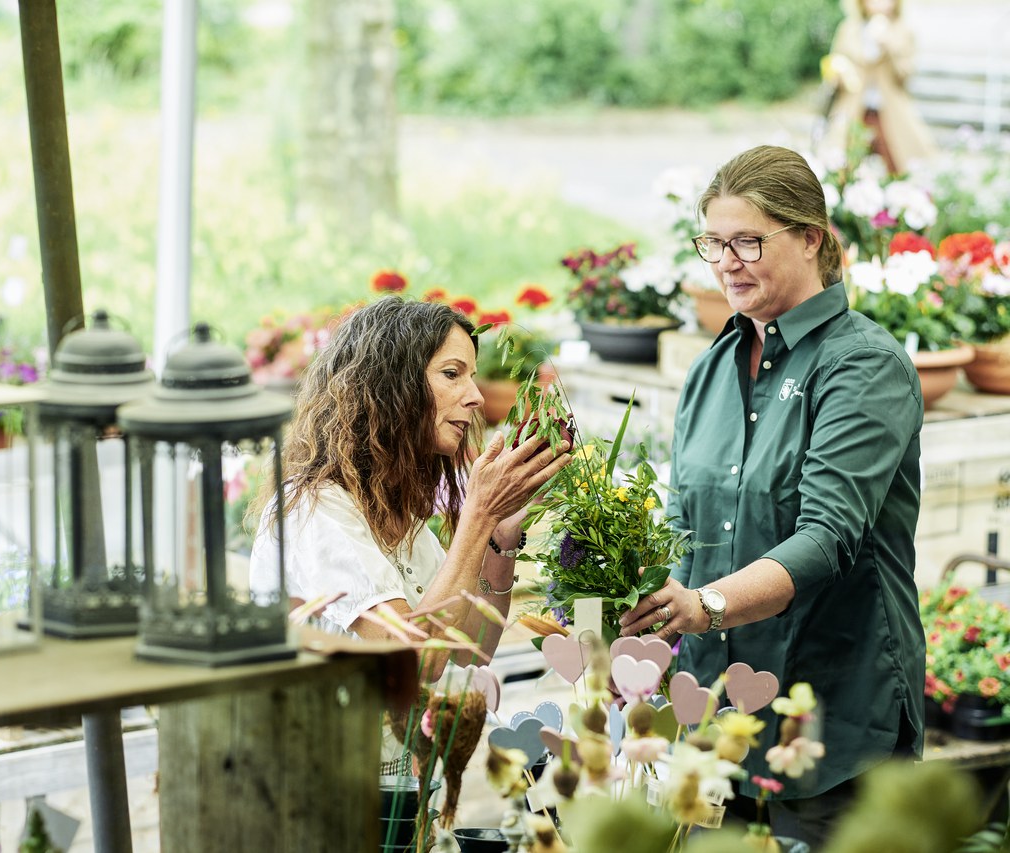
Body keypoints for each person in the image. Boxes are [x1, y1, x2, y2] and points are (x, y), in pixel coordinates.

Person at [619, 145, 925, 847]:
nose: (727, 261)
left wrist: (707, 604)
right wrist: (649, 608)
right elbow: (683, 521)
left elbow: (828, 535)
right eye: (714, 243)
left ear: (810, 237)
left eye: (748, 240)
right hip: (711, 717)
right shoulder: (710, 370)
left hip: (831, 719)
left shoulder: (862, 365)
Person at [249, 296, 571, 689]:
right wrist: (479, 514)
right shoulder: (313, 510)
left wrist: (500, 538)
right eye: (452, 374)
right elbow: (412, 662)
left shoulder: (404, 520)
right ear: (389, 386)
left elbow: (471, 649)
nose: (476, 396)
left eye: (471, 375)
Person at [821, 0, 936, 174]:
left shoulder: (902, 30)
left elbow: (905, 75)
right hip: (853, 109)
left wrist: (889, 46)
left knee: (896, 164)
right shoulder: (849, 28)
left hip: (890, 112)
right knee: (846, 164)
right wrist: (838, 76)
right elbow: (837, 62)